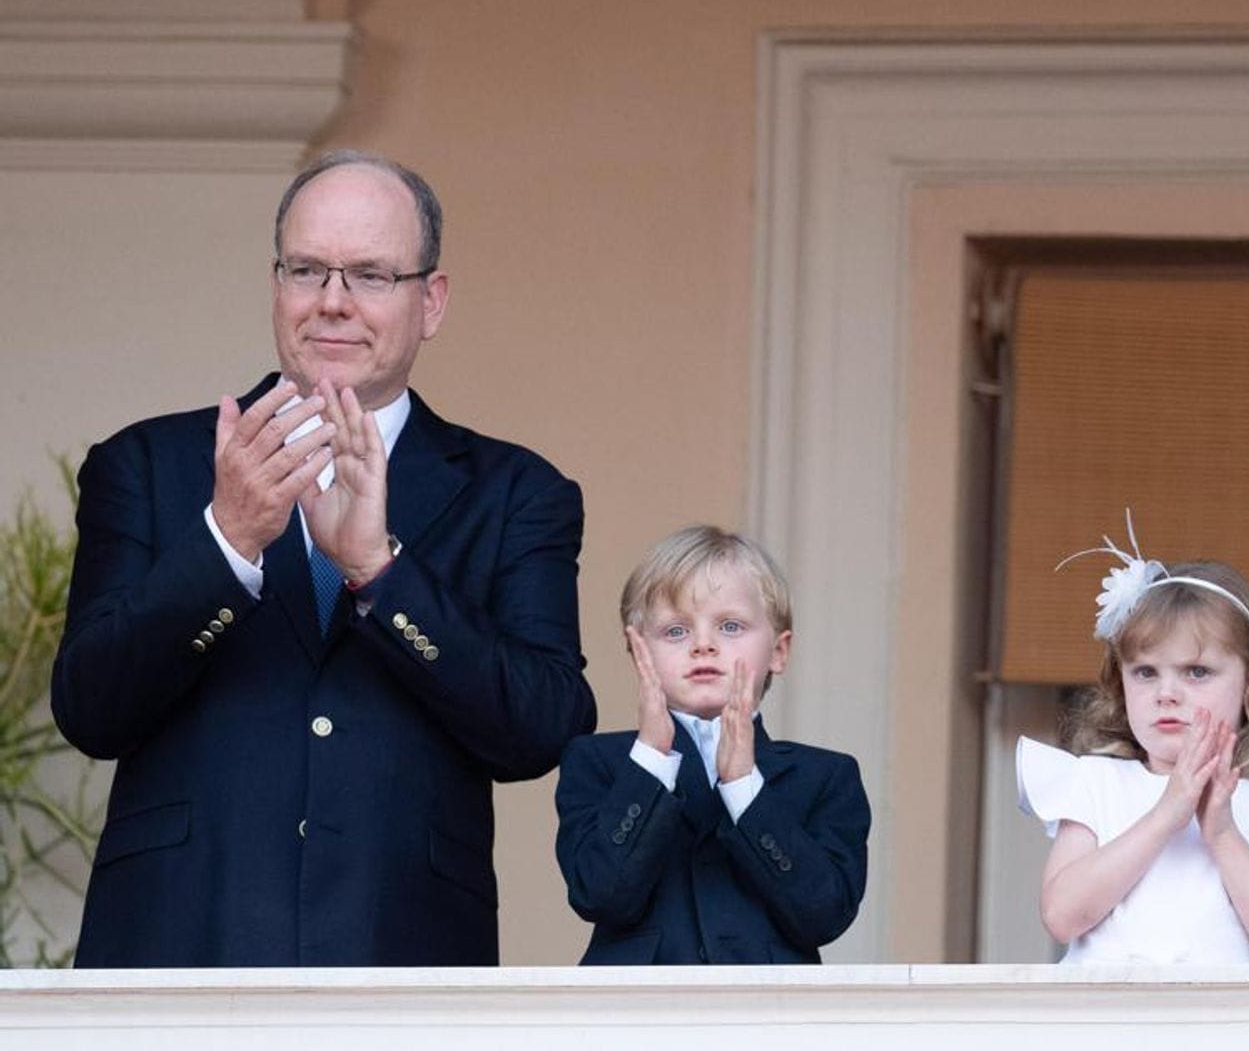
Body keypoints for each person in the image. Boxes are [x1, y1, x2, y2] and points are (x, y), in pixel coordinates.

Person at [51, 150, 597, 966]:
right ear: (277, 285)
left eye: (371, 275)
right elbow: (89, 708)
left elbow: (544, 728)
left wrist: (382, 571)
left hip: (401, 959)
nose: (333, 302)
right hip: (178, 948)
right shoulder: (148, 465)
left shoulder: (518, 492)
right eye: (308, 270)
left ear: (431, 301)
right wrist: (227, 541)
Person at [1017, 520, 1249, 963]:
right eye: (1146, 672)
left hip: (1226, 1029)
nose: (1166, 693)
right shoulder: (1095, 782)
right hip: (1108, 1027)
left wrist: (1222, 831)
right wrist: (1166, 815)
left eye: (1197, 672)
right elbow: (1061, 915)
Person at [554, 525, 869, 964]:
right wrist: (651, 760)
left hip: (771, 1022)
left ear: (779, 651)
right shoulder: (598, 762)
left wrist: (744, 786)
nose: (703, 644)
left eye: (730, 626)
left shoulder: (828, 777)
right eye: (676, 631)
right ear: (636, 649)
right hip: (636, 1021)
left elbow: (824, 915)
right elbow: (599, 895)